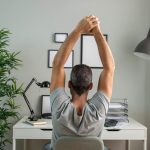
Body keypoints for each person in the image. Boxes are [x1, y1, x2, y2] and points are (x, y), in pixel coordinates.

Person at [42, 15, 115, 150]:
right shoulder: (98, 110)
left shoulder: (59, 107)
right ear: (91, 86)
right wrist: (97, 32)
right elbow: (109, 67)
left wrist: (78, 30)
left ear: (69, 84)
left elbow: (58, 65)